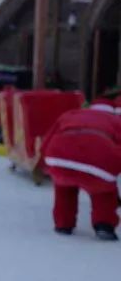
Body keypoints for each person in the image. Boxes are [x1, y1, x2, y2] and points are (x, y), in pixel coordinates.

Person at [41, 100, 121, 241]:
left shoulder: (71, 114)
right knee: (104, 192)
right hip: (97, 160)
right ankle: (104, 225)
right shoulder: (115, 120)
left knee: (64, 188)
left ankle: (63, 224)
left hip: (60, 155)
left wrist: (45, 161)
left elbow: (49, 137)